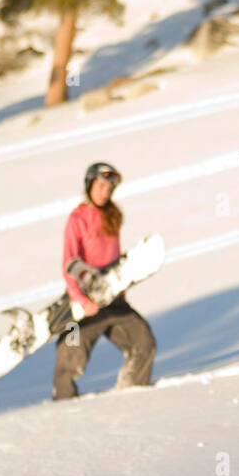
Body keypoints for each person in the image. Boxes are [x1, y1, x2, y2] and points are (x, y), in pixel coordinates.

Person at [53, 162, 156, 401]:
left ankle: (133, 394)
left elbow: (115, 256)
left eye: (109, 187)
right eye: (100, 186)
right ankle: (62, 407)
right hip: (83, 303)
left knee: (144, 343)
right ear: (89, 185)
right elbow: (69, 262)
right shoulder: (77, 219)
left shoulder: (112, 215)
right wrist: (80, 300)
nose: (105, 191)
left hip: (113, 298)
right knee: (69, 354)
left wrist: (122, 290)